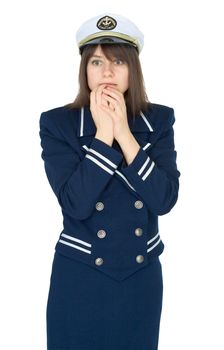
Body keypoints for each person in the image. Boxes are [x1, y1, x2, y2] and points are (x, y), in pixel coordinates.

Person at [39, 12, 180, 350]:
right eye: (96, 62)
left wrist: (124, 135)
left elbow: (164, 200)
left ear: (133, 68)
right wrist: (103, 135)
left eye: (118, 61)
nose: (106, 72)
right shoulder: (58, 124)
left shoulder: (159, 120)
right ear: (84, 70)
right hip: (79, 277)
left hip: (140, 277)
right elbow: (76, 203)